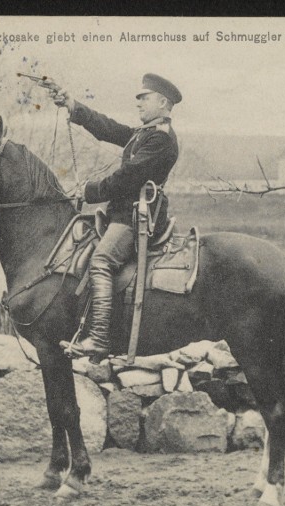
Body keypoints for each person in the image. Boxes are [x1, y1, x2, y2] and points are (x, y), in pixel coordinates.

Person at [43, 73, 181, 360]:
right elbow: (109, 128)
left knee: (101, 261)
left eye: (145, 98)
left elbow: (128, 178)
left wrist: (89, 192)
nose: (139, 103)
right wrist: (73, 105)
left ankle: (100, 339)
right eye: (139, 99)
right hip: (122, 215)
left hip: (136, 219)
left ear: (163, 102)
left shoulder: (161, 139)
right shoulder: (146, 133)